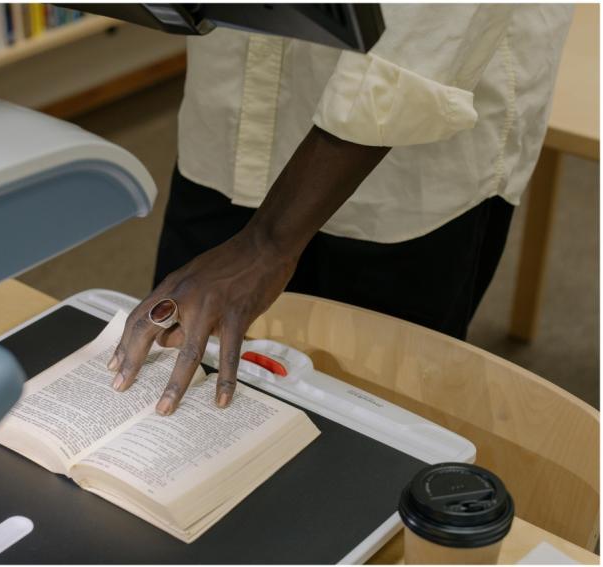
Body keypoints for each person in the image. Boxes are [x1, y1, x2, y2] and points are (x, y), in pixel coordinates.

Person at [107, 4, 574, 416]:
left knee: (373, 422)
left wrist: (267, 242)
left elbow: (430, 28)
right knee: (176, 385)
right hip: (231, 118)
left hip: (408, 155)